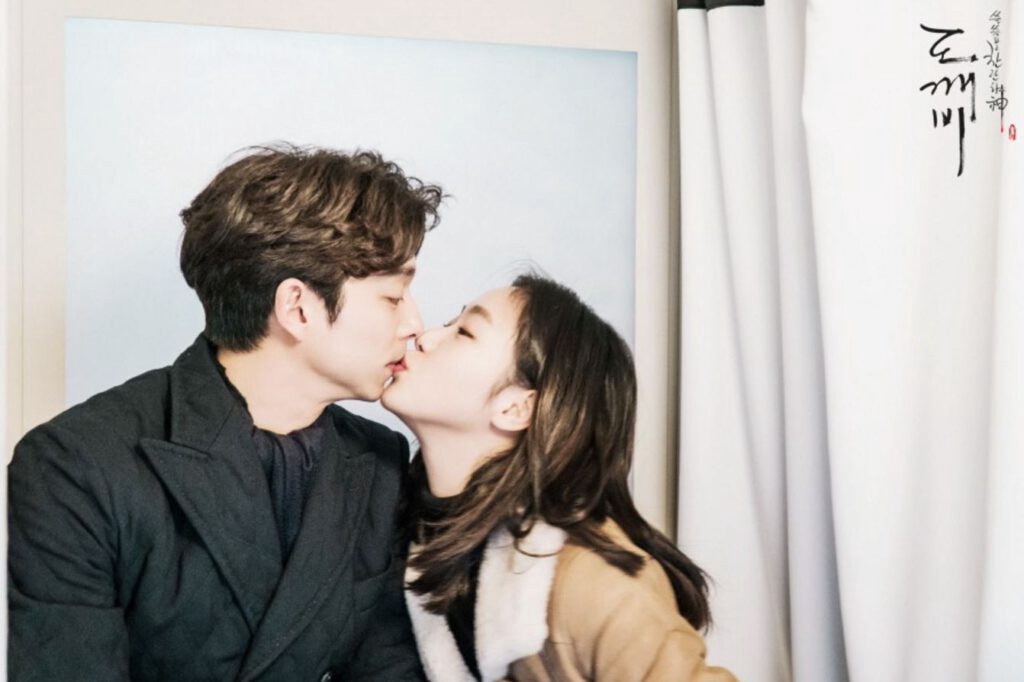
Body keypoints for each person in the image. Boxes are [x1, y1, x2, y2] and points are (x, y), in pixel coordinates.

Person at [8, 144, 441, 681]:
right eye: (394, 297)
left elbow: (388, 668)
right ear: (297, 308)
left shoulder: (379, 459)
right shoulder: (74, 465)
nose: (415, 325)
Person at [382, 274, 736, 681]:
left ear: (516, 408)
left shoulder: (595, 582)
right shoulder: (407, 532)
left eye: (465, 332)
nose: (426, 338)